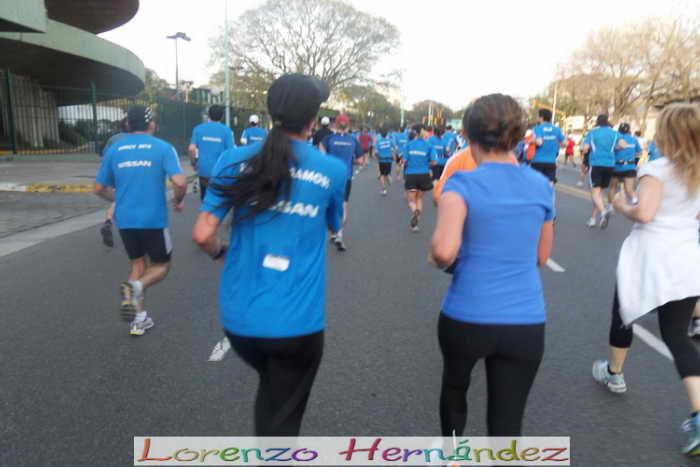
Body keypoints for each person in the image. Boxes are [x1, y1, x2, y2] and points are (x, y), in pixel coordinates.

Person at [192, 73, 345, 436]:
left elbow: (202, 234)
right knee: (282, 422)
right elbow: (334, 225)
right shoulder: (331, 170)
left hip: (240, 323)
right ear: (313, 118)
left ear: (270, 112)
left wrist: (220, 252)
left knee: (272, 394)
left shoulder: (233, 159)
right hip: (296, 324)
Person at [429, 93, 554, 438]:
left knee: (455, 390)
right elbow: (542, 256)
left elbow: (444, 251)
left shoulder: (461, 183)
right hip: (525, 320)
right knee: (507, 420)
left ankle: (453, 457)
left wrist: (436, 255)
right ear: (518, 137)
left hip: (467, 314)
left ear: (468, 136)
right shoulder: (542, 186)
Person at [590, 103, 700, 456]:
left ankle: (614, 373)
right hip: (686, 256)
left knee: (624, 312)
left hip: (650, 256)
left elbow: (646, 213)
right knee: (677, 336)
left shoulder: (656, 169)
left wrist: (622, 204)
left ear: (668, 133)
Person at [95, 105, 187, 336]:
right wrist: (178, 200)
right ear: (151, 124)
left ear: (128, 124)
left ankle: (138, 320)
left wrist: (118, 199)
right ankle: (136, 287)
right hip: (153, 219)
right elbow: (180, 182)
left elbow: (98, 188)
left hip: (125, 219)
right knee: (162, 266)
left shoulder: (114, 149)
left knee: (137, 265)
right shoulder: (163, 148)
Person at [320, 114, 364, 251]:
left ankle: (332, 232)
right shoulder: (353, 140)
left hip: (329, 177)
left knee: (328, 205)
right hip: (345, 177)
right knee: (343, 205)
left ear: (335, 125)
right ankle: (339, 234)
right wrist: (351, 160)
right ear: (348, 125)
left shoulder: (328, 139)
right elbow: (360, 160)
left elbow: (321, 156)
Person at [189, 105, 235, 200]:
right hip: (220, 172)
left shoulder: (198, 129)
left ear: (209, 115)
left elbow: (191, 148)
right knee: (218, 200)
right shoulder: (227, 131)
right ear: (222, 116)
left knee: (205, 199)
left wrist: (193, 163)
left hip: (204, 171)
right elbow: (231, 152)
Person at [583, 115, 618, 229]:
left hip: (596, 163)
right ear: (607, 122)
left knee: (595, 192)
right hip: (610, 164)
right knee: (599, 193)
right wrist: (612, 149)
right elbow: (622, 145)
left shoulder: (592, 132)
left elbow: (585, 148)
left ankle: (603, 211)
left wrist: (586, 151)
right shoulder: (614, 133)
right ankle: (593, 219)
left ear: (597, 122)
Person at [99, 117, 129, 247]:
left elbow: (104, 155)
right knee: (122, 198)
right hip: (128, 171)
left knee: (118, 199)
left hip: (113, 171)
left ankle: (108, 221)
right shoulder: (137, 138)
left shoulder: (113, 138)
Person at [403, 124, 434, 232]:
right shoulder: (429, 145)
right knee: (419, 199)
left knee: (411, 201)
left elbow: (404, 161)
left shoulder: (409, 144)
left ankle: (415, 211)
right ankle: (415, 225)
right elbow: (434, 161)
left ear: (414, 132)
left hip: (411, 174)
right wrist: (426, 164)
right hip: (424, 175)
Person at [610, 123, 642, 206]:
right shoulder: (634, 139)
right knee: (630, 189)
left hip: (617, 167)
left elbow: (610, 151)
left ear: (619, 130)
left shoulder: (615, 138)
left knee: (613, 187)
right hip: (630, 167)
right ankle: (635, 202)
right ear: (629, 130)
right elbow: (639, 152)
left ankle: (610, 206)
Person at [531, 109, 565, 184]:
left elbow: (539, 142)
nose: (537, 117)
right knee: (549, 184)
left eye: (537, 116)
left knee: (536, 184)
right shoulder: (557, 129)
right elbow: (565, 143)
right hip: (551, 161)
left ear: (541, 117)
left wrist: (531, 141)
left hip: (538, 161)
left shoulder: (537, 128)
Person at [375, 128, 395, 196]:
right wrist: (392, 154)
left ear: (381, 135)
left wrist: (377, 158)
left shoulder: (378, 141)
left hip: (382, 160)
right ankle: (390, 180)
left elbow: (376, 152)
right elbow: (395, 148)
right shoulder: (390, 141)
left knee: (382, 175)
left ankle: (384, 189)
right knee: (388, 174)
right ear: (387, 134)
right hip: (389, 160)